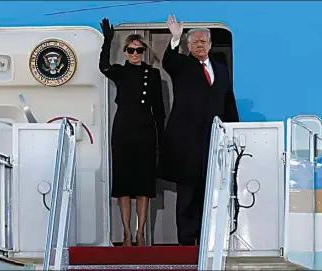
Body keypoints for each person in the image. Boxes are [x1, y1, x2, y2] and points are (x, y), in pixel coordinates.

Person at [157, 15, 239, 246]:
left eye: (204, 42)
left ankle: (208, 238)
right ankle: (186, 241)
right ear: (189, 46)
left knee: (210, 193)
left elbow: (228, 101)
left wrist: (233, 130)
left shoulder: (220, 69)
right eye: (195, 42)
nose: (200, 45)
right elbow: (168, 61)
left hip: (214, 143)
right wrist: (175, 38)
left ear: (210, 45)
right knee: (188, 195)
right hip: (187, 143)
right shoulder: (181, 65)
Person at [98, 18, 166, 246]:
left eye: (138, 50)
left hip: (145, 130)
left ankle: (140, 233)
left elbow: (159, 110)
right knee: (124, 185)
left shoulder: (153, 75)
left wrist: (161, 139)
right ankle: (126, 233)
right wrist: (108, 41)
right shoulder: (120, 72)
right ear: (126, 52)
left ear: (144, 51)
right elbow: (103, 66)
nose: (135, 53)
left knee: (144, 186)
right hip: (123, 130)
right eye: (130, 50)